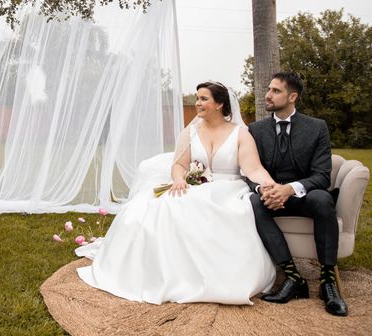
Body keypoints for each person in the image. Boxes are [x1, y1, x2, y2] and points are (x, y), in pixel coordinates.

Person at [77, 82, 277, 305]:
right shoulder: (191, 132)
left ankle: (213, 278)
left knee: (205, 209)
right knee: (158, 206)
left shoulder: (240, 134)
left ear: (220, 104)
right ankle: (165, 273)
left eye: (203, 99)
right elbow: (179, 164)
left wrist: (270, 185)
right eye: (197, 98)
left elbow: (253, 169)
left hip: (228, 188)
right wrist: (180, 179)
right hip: (195, 185)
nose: (198, 103)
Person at [249, 72, 347, 316]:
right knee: (253, 201)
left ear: (292, 96)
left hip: (305, 197)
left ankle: (328, 282)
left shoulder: (316, 127)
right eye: (269, 89)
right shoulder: (256, 130)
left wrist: (290, 188)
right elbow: (249, 170)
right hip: (272, 197)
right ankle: (293, 277)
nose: (268, 95)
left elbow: (322, 175)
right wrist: (264, 189)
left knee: (323, 198)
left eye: (275, 91)